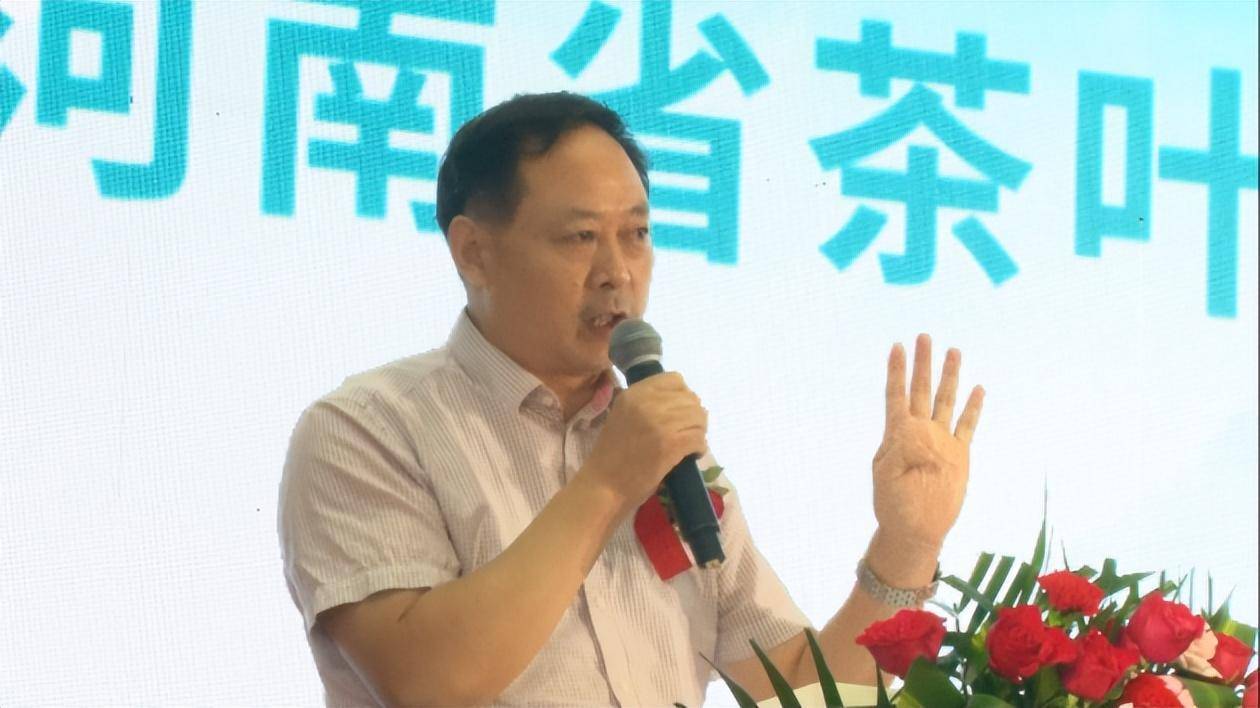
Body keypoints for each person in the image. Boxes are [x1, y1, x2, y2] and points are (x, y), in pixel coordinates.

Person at [277, 91, 985, 707]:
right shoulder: (368, 430)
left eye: (637, 234)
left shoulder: (663, 449)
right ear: (474, 252)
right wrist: (609, 482)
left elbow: (798, 688)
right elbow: (427, 682)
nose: (618, 272)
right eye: (581, 237)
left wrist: (906, 544)